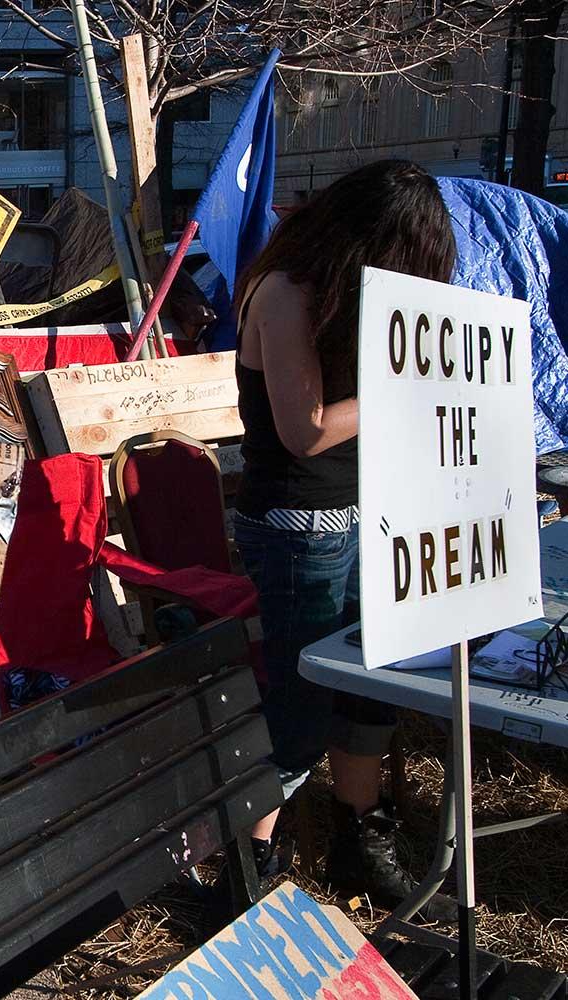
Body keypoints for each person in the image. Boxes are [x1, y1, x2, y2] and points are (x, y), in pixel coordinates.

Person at [232, 159, 457, 923]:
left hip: (371, 517)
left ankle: (357, 835)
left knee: (370, 685)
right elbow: (306, 431)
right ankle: (250, 862)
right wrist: (402, 382)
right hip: (303, 527)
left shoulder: (340, 296)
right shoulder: (288, 293)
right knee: (298, 703)